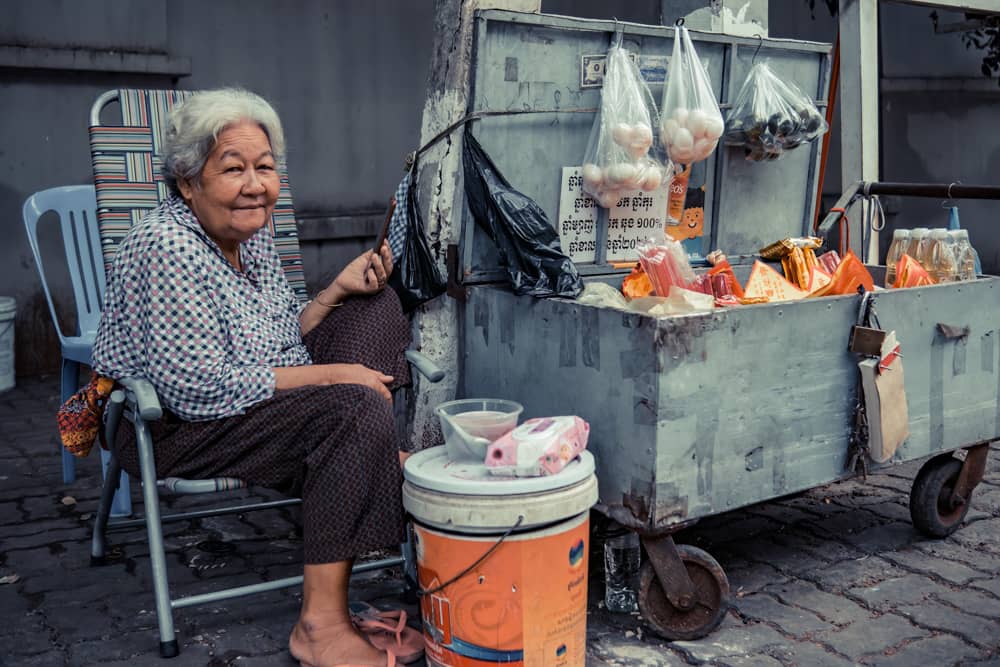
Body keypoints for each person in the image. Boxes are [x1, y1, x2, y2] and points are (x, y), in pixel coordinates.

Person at [92, 88, 413, 667]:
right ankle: (319, 627)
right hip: (177, 424)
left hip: (253, 399)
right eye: (232, 169)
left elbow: (278, 333)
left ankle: (354, 459)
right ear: (188, 181)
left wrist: (338, 289)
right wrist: (339, 376)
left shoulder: (250, 234)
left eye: (264, 167)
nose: (255, 184)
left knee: (377, 305)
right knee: (353, 407)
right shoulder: (168, 247)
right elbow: (196, 388)